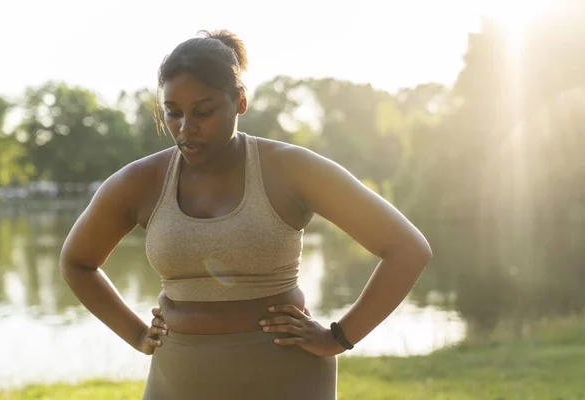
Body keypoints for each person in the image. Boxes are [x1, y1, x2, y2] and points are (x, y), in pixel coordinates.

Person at [59, 29, 432, 400]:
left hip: (287, 377)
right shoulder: (140, 181)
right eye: (173, 113)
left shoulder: (292, 169)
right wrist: (137, 334)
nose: (186, 129)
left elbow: (407, 248)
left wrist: (340, 336)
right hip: (179, 378)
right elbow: (77, 262)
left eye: (203, 112)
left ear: (240, 101)